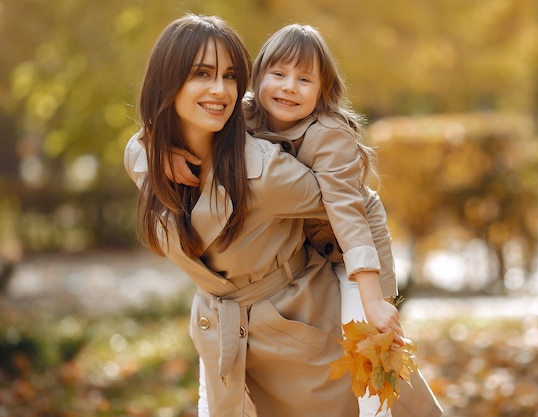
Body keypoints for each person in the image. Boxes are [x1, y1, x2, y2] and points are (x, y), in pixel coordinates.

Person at [170, 24, 442, 417]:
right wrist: (159, 148)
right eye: (278, 74)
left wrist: (373, 299)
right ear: (257, 77)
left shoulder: (329, 135)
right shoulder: (241, 115)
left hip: (355, 254)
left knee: (369, 352)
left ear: (322, 90)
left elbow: (348, 213)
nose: (289, 87)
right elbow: (177, 124)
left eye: (304, 79)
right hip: (309, 245)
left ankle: (378, 411)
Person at [124, 14, 361, 417]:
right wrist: (153, 148)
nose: (220, 90)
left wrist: (371, 296)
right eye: (202, 73)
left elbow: (360, 204)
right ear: (168, 81)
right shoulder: (146, 159)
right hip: (220, 339)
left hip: (296, 333)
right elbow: (138, 145)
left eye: (230, 75)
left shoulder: (266, 171)